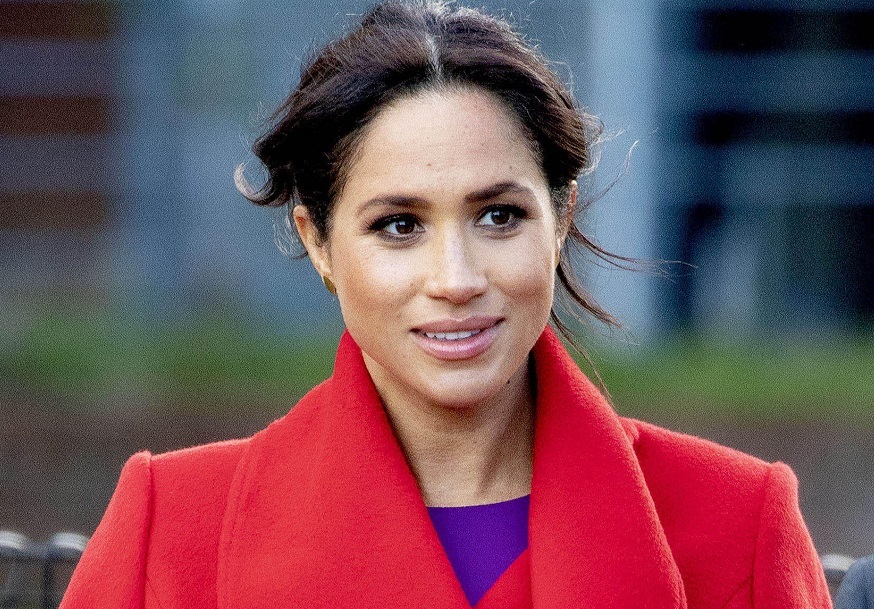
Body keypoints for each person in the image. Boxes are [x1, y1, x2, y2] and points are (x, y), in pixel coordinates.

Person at [60, 1, 833, 607]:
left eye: (499, 215)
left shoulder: (739, 521)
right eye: (399, 225)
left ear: (561, 219)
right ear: (318, 241)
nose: (456, 278)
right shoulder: (171, 526)